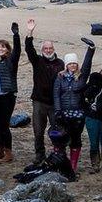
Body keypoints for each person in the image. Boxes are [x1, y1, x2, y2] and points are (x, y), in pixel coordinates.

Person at [24, 18, 65, 163]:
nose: (48, 50)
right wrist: (30, 32)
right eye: (46, 49)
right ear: (42, 50)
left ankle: (59, 153)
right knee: (38, 131)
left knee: (57, 130)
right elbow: (29, 49)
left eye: (50, 48)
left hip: (55, 103)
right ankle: (39, 155)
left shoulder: (61, 64)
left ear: (54, 50)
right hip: (39, 101)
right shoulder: (38, 61)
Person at [52, 38, 96, 171]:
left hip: (78, 114)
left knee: (76, 140)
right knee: (60, 140)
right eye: (70, 63)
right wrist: (58, 111)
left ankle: (73, 166)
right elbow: (56, 94)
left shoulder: (81, 76)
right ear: (66, 65)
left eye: (74, 63)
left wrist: (91, 49)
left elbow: (87, 65)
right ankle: (60, 163)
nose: (72, 66)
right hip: (63, 113)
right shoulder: (60, 77)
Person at [0, 23, 21, 163]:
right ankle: (0, 150)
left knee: (4, 125)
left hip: (7, 96)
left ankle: (8, 152)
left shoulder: (11, 61)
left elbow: (17, 51)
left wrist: (16, 35)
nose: (0, 49)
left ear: (7, 49)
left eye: (3, 47)